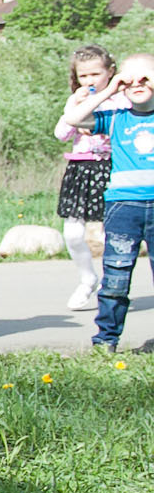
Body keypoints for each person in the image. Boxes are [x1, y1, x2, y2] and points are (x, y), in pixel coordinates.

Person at [59, 52, 154, 355]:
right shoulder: (115, 118)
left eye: (146, 79)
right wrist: (110, 90)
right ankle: (106, 340)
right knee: (115, 276)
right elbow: (73, 119)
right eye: (131, 80)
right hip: (123, 206)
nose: (138, 84)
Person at [56, 44, 120, 311]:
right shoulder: (77, 102)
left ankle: (112, 286)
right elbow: (62, 134)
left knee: (111, 234)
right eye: (84, 76)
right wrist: (73, 103)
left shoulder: (121, 101)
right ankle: (87, 279)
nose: (90, 81)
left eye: (96, 74)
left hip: (111, 168)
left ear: (110, 73)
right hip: (81, 170)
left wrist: (108, 94)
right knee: (72, 233)